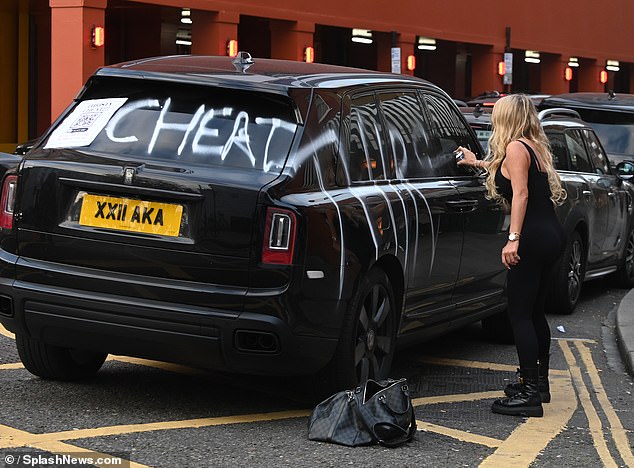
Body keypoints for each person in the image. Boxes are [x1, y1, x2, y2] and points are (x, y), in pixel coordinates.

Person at [456, 94, 567, 418]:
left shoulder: (517, 148)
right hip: (550, 235)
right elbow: (506, 170)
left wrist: (513, 239)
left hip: (531, 238)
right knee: (534, 313)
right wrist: (476, 162)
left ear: (506, 118)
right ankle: (538, 385)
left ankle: (530, 395)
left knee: (518, 314)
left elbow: (521, 193)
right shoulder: (531, 146)